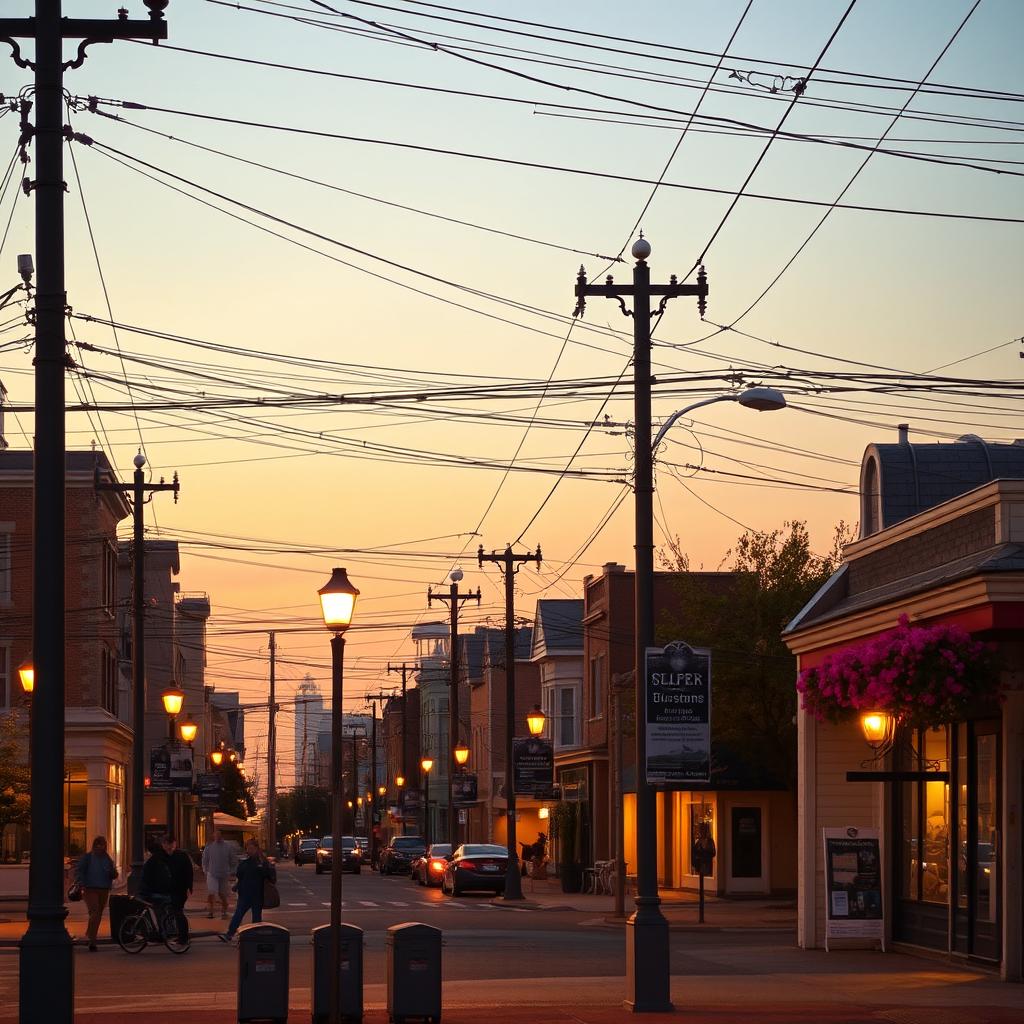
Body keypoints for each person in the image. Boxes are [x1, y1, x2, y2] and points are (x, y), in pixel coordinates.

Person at [220, 839, 276, 942]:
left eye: (251, 848)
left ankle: (255, 936)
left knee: (256, 917)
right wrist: (237, 886)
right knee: (239, 914)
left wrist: (265, 867)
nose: (249, 851)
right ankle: (230, 934)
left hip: (256, 893)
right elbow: (240, 875)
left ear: (256, 849)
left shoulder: (261, 862)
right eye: (248, 848)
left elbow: (269, 876)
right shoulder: (246, 862)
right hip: (245, 893)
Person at [76, 836, 118, 952]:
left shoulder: (107, 859)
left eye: (102, 844)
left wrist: (112, 873)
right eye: (97, 844)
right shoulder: (88, 857)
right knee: (95, 912)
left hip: (104, 888)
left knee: (98, 914)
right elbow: (80, 870)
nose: (100, 847)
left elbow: (114, 874)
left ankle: (90, 934)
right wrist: (81, 883)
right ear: (94, 846)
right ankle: (92, 941)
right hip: (90, 888)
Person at [201, 829, 238, 920]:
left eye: (219, 835)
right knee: (211, 892)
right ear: (214, 836)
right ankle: (210, 911)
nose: (217, 837)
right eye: (216, 835)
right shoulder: (209, 847)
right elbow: (205, 859)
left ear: (222, 836)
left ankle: (224, 912)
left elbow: (233, 860)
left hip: (224, 874)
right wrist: (205, 870)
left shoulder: (228, 847)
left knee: (222, 894)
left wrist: (232, 870)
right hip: (212, 873)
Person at [164, 836, 194, 943]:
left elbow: (188, 872)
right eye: (166, 844)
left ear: (174, 844)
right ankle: (181, 934)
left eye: (169, 844)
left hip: (179, 889)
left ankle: (183, 936)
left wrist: (188, 887)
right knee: (177, 912)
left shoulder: (180, 856)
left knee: (178, 912)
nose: (167, 847)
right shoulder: (169, 856)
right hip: (174, 889)